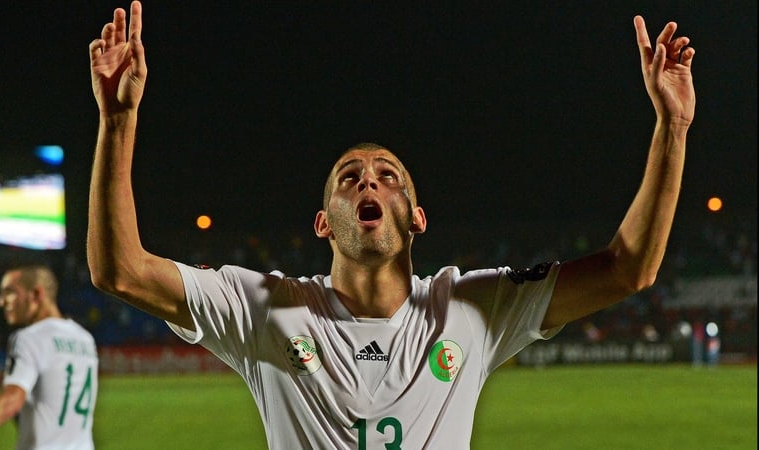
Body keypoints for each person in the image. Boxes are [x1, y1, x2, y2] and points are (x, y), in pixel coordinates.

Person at [87, 2, 695, 448]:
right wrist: (117, 122)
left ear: (417, 218)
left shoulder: (473, 306)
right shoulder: (264, 307)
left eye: (388, 176)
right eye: (349, 177)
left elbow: (628, 267)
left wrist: (673, 129)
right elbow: (120, 271)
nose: (368, 181)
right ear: (324, 223)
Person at [0, 265, 99, 450]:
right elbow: (34, 402)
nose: (1, 302)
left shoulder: (30, 337)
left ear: (36, 294)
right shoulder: (84, 338)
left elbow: (12, 401)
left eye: (9, 293)